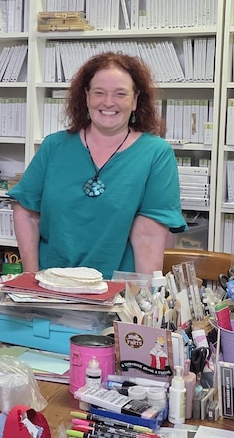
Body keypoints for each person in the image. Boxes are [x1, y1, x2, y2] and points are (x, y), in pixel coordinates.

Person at [9, 52, 186, 279]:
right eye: (99, 93)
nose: (108, 102)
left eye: (120, 94)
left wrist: (146, 300)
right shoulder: (54, 146)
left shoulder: (155, 154)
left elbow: (148, 236)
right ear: (86, 96)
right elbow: (26, 213)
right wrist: (31, 278)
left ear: (135, 100)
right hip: (51, 286)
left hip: (116, 292)